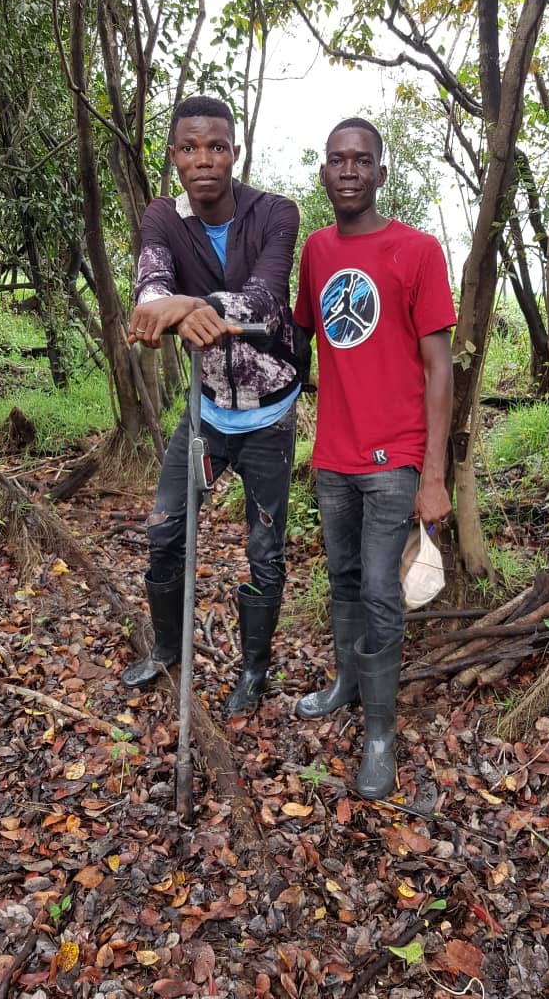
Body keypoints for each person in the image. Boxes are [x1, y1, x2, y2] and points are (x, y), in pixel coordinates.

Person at [123, 95, 304, 716]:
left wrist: (184, 307)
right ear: (174, 156)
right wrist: (170, 307)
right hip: (205, 416)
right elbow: (149, 295)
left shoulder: (276, 212)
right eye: (190, 147)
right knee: (164, 527)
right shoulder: (162, 218)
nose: (205, 159)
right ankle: (170, 649)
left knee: (265, 548)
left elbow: (264, 300)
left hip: (268, 417)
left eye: (217, 147)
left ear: (235, 152)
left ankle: (254, 670)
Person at [292, 117, 455, 800]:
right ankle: (346, 685)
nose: (349, 170)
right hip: (333, 455)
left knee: (383, 592)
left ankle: (381, 734)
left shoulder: (416, 251)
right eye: (337, 160)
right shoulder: (316, 252)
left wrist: (434, 475)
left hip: (395, 458)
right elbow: (297, 339)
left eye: (362, 160)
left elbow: (440, 368)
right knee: (345, 577)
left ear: (381, 173)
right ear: (324, 174)